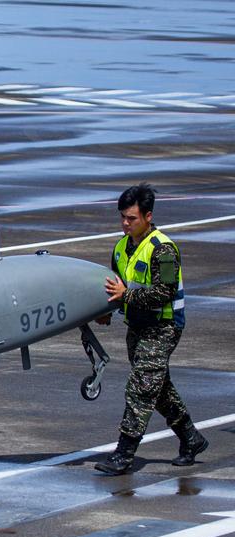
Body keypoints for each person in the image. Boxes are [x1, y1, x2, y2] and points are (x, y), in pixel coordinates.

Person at [94, 183, 207, 475]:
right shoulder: (121, 247)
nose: (125, 223)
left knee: (141, 389)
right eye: (122, 217)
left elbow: (165, 292)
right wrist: (109, 310)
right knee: (157, 388)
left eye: (131, 218)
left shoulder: (163, 249)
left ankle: (124, 454)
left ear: (148, 216)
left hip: (163, 327)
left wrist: (125, 297)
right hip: (137, 326)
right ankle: (191, 438)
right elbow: (116, 286)